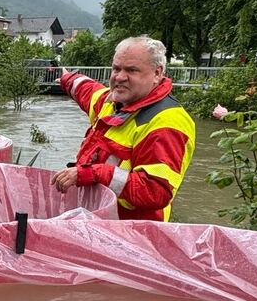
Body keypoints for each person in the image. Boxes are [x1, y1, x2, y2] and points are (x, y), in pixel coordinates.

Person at [51, 35, 195, 221]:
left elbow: (154, 191)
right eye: (116, 68)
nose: (119, 77)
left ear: (157, 73)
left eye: (131, 70)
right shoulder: (112, 102)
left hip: (134, 234)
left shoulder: (167, 122)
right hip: (98, 222)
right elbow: (87, 91)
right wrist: (67, 78)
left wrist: (92, 173)